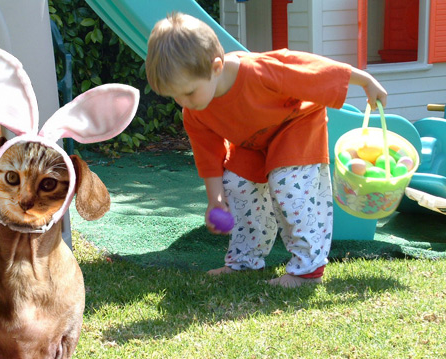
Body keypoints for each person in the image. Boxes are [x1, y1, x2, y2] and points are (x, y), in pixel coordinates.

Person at [145, 12, 388, 287]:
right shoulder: (195, 111)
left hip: (295, 125)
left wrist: (364, 81)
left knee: (289, 183)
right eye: (174, 96)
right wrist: (216, 199)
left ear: (215, 67)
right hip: (254, 143)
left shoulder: (260, 71)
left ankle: (307, 271)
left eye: (188, 92)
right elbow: (208, 155)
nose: (182, 102)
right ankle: (245, 262)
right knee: (236, 183)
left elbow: (313, 69)